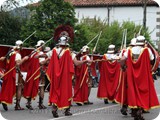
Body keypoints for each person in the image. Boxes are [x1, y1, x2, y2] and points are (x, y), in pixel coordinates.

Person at [37, 36, 89, 118]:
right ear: (66, 44)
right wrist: (85, 61)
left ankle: (54, 108)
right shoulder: (69, 53)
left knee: (56, 91)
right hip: (65, 77)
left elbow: (43, 55)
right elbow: (77, 63)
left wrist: (37, 55)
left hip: (56, 77)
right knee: (66, 92)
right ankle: (67, 110)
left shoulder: (53, 51)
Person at [120, 35, 160, 120]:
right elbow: (153, 60)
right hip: (143, 76)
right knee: (143, 93)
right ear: (143, 42)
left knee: (133, 92)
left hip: (132, 76)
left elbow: (122, 59)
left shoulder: (129, 50)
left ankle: (135, 110)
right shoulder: (147, 50)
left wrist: (123, 68)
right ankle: (139, 111)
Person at [0, 40, 29, 111]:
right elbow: (17, 64)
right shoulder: (17, 54)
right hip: (14, 73)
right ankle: (17, 105)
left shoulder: (10, 53)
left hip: (8, 73)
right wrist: (24, 59)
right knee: (19, 87)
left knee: (6, 88)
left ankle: (4, 100)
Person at [23, 40, 47, 110]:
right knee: (41, 87)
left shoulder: (32, 53)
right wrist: (47, 60)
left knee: (31, 86)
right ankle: (40, 104)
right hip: (39, 73)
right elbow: (42, 63)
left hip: (32, 73)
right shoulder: (41, 53)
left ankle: (28, 102)